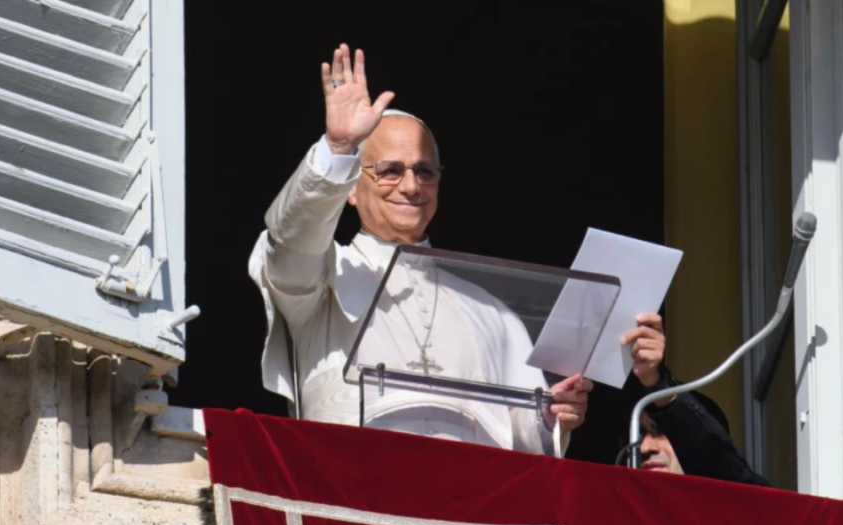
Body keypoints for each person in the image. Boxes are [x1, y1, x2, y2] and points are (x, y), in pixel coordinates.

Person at [248, 44, 591, 456]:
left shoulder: (489, 311)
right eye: (390, 170)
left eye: (424, 172)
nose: (411, 187)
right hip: (353, 486)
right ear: (352, 189)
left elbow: (525, 440)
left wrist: (554, 415)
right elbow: (290, 241)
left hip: (468, 505)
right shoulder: (323, 277)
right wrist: (338, 149)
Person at [623, 314, 770, 486]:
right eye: (639, 435)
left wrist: (656, 382)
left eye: (662, 431)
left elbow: (731, 472)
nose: (645, 448)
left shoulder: (737, 508)